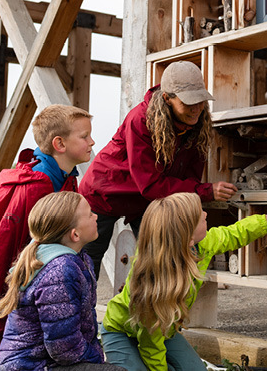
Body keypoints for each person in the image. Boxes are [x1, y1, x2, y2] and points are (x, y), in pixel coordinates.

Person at [0, 104, 95, 371]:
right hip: (9, 283)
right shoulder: (36, 187)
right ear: (59, 144)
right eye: (84, 136)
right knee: (4, 340)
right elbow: (4, 250)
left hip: (33, 284)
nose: (92, 142)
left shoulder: (65, 178)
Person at [101, 191, 267, 371]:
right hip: (121, 331)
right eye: (199, 216)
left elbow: (232, 234)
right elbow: (151, 346)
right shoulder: (153, 284)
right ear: (187, 238)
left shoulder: (201, 245)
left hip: (163, 329)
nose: (205, 214)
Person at [79, 61, 238, 278]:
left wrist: (195, 195)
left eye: (200, 100)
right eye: (188, 102)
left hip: (147, 201)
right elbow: (150, 184)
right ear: (167, 98)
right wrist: (205, 191)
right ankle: (80, 300)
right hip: (105, 192)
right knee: (87, 262)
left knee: (161, 261)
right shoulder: (140, 119)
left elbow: (190, 176)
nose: (196, 108)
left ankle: (147, 300)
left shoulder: (197, 123)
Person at [0, 192, 124, 371]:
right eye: (89, 214)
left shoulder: (77, 258)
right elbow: (64, 349)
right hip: (32, 366)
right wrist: (98, 361)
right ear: (75, 235)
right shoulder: (60, 271)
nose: (96, 216)